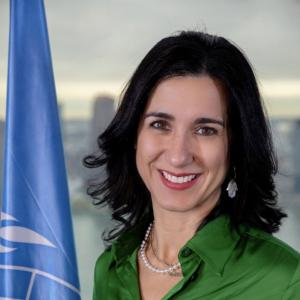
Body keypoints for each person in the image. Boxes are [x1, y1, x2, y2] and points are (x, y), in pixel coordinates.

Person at [84, 31, 300, 299]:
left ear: (237, 147)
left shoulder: (286, 281)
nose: (178, 156)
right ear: (133, 136)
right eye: (160, 125)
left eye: (206, 130)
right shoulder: (110, 270)